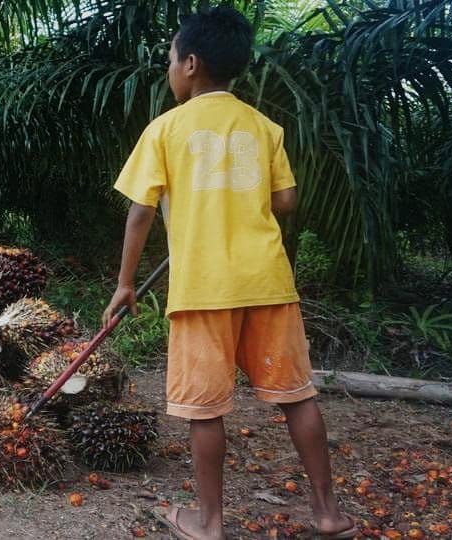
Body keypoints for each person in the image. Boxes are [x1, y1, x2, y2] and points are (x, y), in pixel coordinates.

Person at [102, 7, 357, 540]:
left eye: (171, 59)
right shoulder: (264, 127)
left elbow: (141, 212)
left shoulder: (166, 129)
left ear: (191, 64)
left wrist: (125, 283)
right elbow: (285, 200)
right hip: (267, 282)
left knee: (205, 409)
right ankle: (328, 512)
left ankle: (210, 522)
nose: (169, 69)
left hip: (203, 290)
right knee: (297, 396)